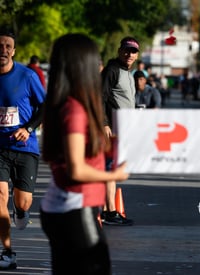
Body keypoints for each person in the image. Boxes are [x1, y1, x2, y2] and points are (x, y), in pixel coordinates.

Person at [40, 33, 129, 275]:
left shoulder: (64, 103)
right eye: (96, 60)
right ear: (83, 66)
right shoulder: (75, 109)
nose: (100, 66)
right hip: (75, 208)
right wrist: (114, 175)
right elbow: (76, 168)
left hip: (63, 207)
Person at [0, 29, 45, 269]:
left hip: (25, 147)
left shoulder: (27, 76)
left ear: (14, 51)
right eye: (0, 46)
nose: (3, 50)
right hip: (0, 148)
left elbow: (44, 107)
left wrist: (28, 128)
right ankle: (7, 252)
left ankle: (21, 210)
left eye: (8, 46)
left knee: (23, 202)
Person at [100, 36, 139, 226]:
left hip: (123, 128)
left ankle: (110, 210)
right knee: (109, 169)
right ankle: (109, 212)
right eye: (126, 50)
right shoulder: (112, 70)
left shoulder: (128, 73)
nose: (129, 54)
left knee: (112, 169)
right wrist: (104, 123)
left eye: (133, 51)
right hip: (111, 129)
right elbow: (100, 97)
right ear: (119, 51)